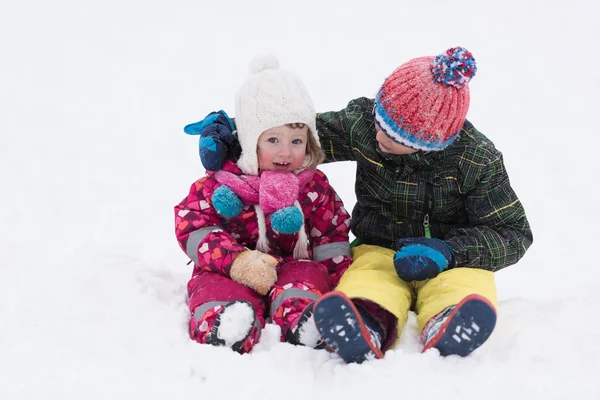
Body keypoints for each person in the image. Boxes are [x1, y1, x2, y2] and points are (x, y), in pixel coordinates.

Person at [194, 47, 533, 363]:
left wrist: (450, 252)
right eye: (379, 121)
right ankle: (365, 320)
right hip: (380, 246)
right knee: (368, 277)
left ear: (431, 144)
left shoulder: (476, 161)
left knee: (465, 282)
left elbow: (513, 233)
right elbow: (300, 136)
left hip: (451, 256)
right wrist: (235, 134)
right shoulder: (364, 126)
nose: (380, 136)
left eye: (396, 137)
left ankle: (450, 320)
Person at [174, 55, 352, 354]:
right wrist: (236, 261)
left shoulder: (312, 185)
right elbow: (193, 225)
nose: (286, 151)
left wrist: (340, 279)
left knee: (306, 278)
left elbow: (332, 233)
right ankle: (226, 318)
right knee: (215, 284)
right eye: (272, 140)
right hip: (232, 265)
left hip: (295, 263)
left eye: (297, 141)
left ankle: (305, 320)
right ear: (249, 140)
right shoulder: (221, 184)